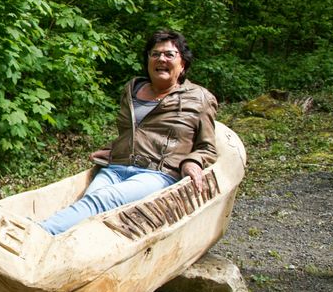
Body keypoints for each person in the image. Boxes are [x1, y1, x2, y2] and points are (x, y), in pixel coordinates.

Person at [40, 29, 218, 235]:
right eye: (155, 54)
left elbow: (207, 148)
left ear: (183, 64)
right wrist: (116, 148)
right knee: (91, 203)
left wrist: (192, 162)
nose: (161, 58)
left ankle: (41, 232)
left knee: (102, 200)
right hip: (116, 168)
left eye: (169, 54)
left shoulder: (200, 98)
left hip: (158, 174)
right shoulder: (132, 90)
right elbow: (134, 132)